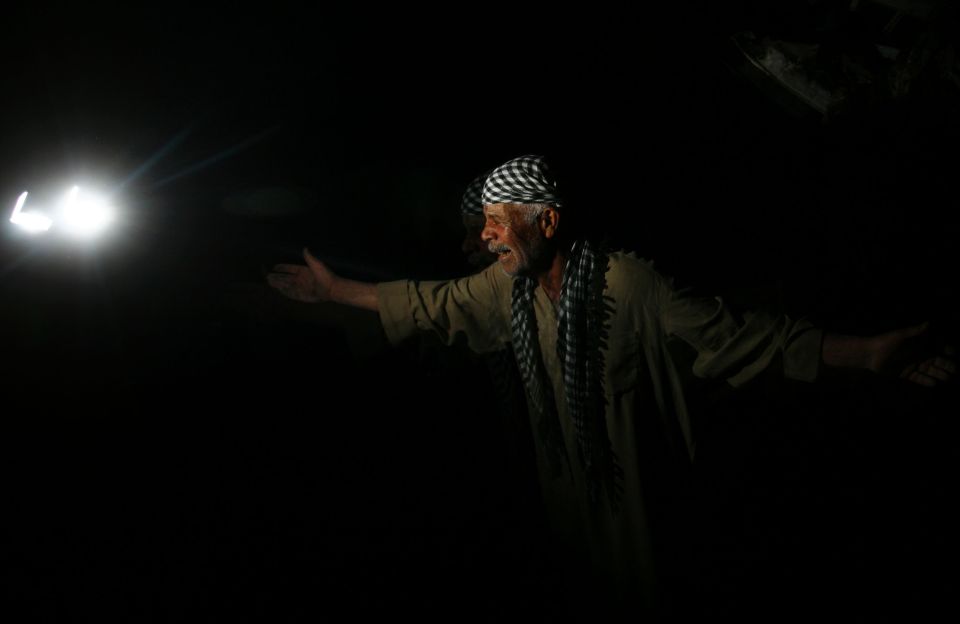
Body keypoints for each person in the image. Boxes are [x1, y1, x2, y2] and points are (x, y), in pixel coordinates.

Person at [266, 154, 955, 619]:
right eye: (484, 227)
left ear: (549, 222)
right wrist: (338, 290)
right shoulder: (507, 287)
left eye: (499, 226)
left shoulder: (629, 284)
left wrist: (865, 354)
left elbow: (744, 338)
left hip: (650, 526)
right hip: (572, 516)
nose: (487, 240)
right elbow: (432, 303)